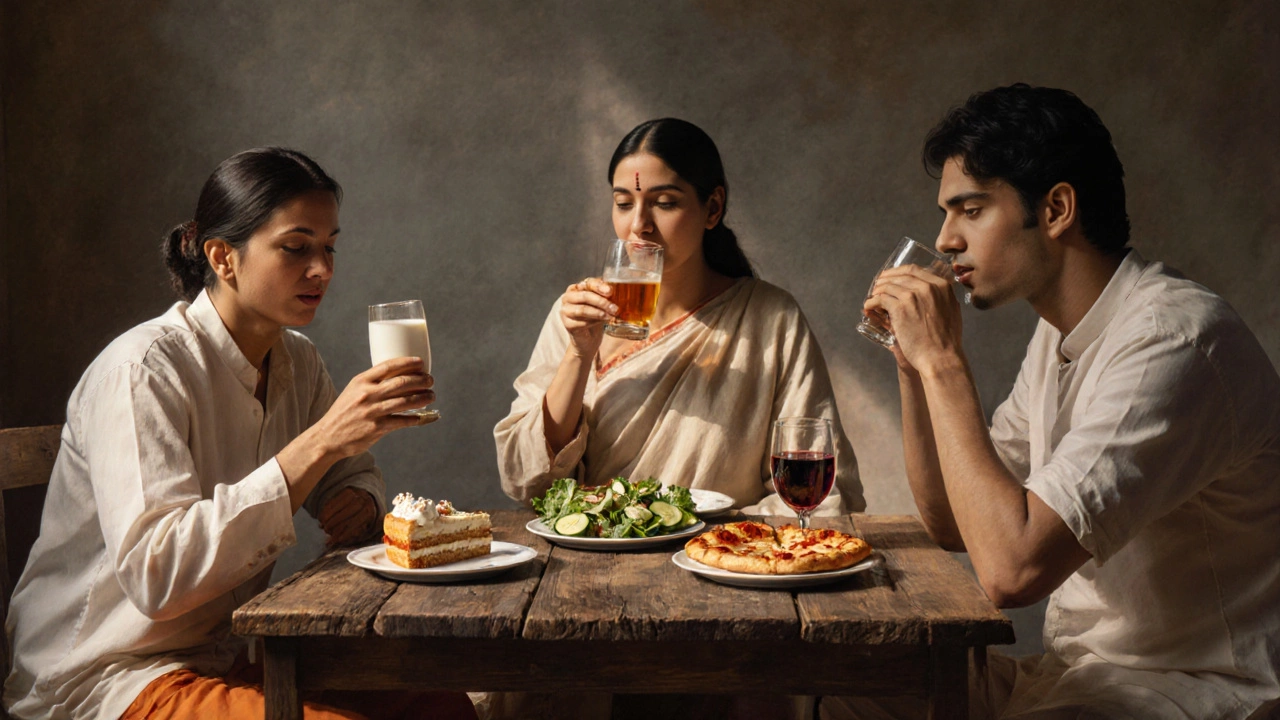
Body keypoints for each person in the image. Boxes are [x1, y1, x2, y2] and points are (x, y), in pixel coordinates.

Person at [829, 84, 1280, 719]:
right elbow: (955, 525)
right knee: (840, 679)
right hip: (1077, 676)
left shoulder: (1174, 340)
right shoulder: (1059, 333)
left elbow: (1011, 573)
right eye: (945, 214)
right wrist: (913, 368)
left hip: (1190, 688)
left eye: (971, 210)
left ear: (1056, 209)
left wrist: (944, 362)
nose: (946, 239)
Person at [3, 148, 476, 720]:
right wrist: (322, 439)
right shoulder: (142, 370)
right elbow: (160, 575)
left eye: (329, 247)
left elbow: (347, 474)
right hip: (108, 676)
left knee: (439, 701)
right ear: (223, 258)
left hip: (229, 656)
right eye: (296, 247)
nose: (322, 269)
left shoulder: (297, 361)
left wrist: (357, 499)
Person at [495, 117, 864, 520]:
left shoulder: (770, 318)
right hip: (593, 560)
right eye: (623, 203)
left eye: (665, 203)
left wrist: (715, 541)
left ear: (713, 208)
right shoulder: (578, 313)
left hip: (720, 563)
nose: (639, 226)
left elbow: (820, 494)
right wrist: (579, 354)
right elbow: (525, 481)